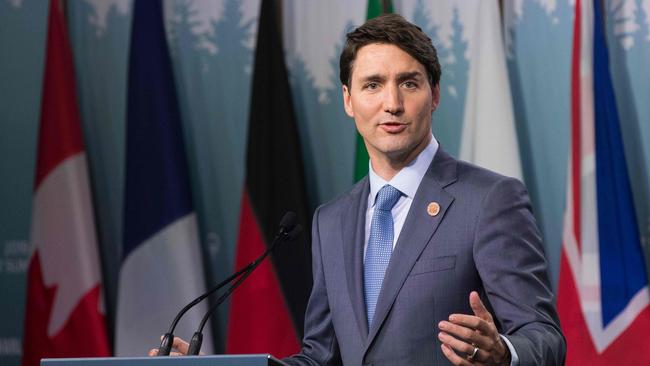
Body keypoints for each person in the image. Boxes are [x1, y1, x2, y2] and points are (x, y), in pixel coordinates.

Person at [151, 13, 565, 365]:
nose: (392, 103)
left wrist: (505, 353)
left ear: (434, 94)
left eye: (409, 83)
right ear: (348, 100)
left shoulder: (489, 200)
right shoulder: (331, 221)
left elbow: (544, 337)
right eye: (372, 85)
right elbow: (319, 357)